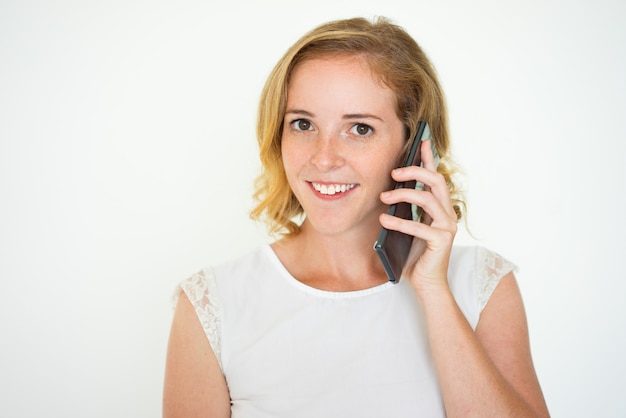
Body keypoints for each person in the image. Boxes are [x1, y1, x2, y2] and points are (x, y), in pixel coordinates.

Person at [163, 16, 550, 418]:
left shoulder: (482, 286)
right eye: (302, 124)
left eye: (360, 129)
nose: (324, 157)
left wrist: (434, 291)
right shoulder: (213, 304)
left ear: (414, 148)